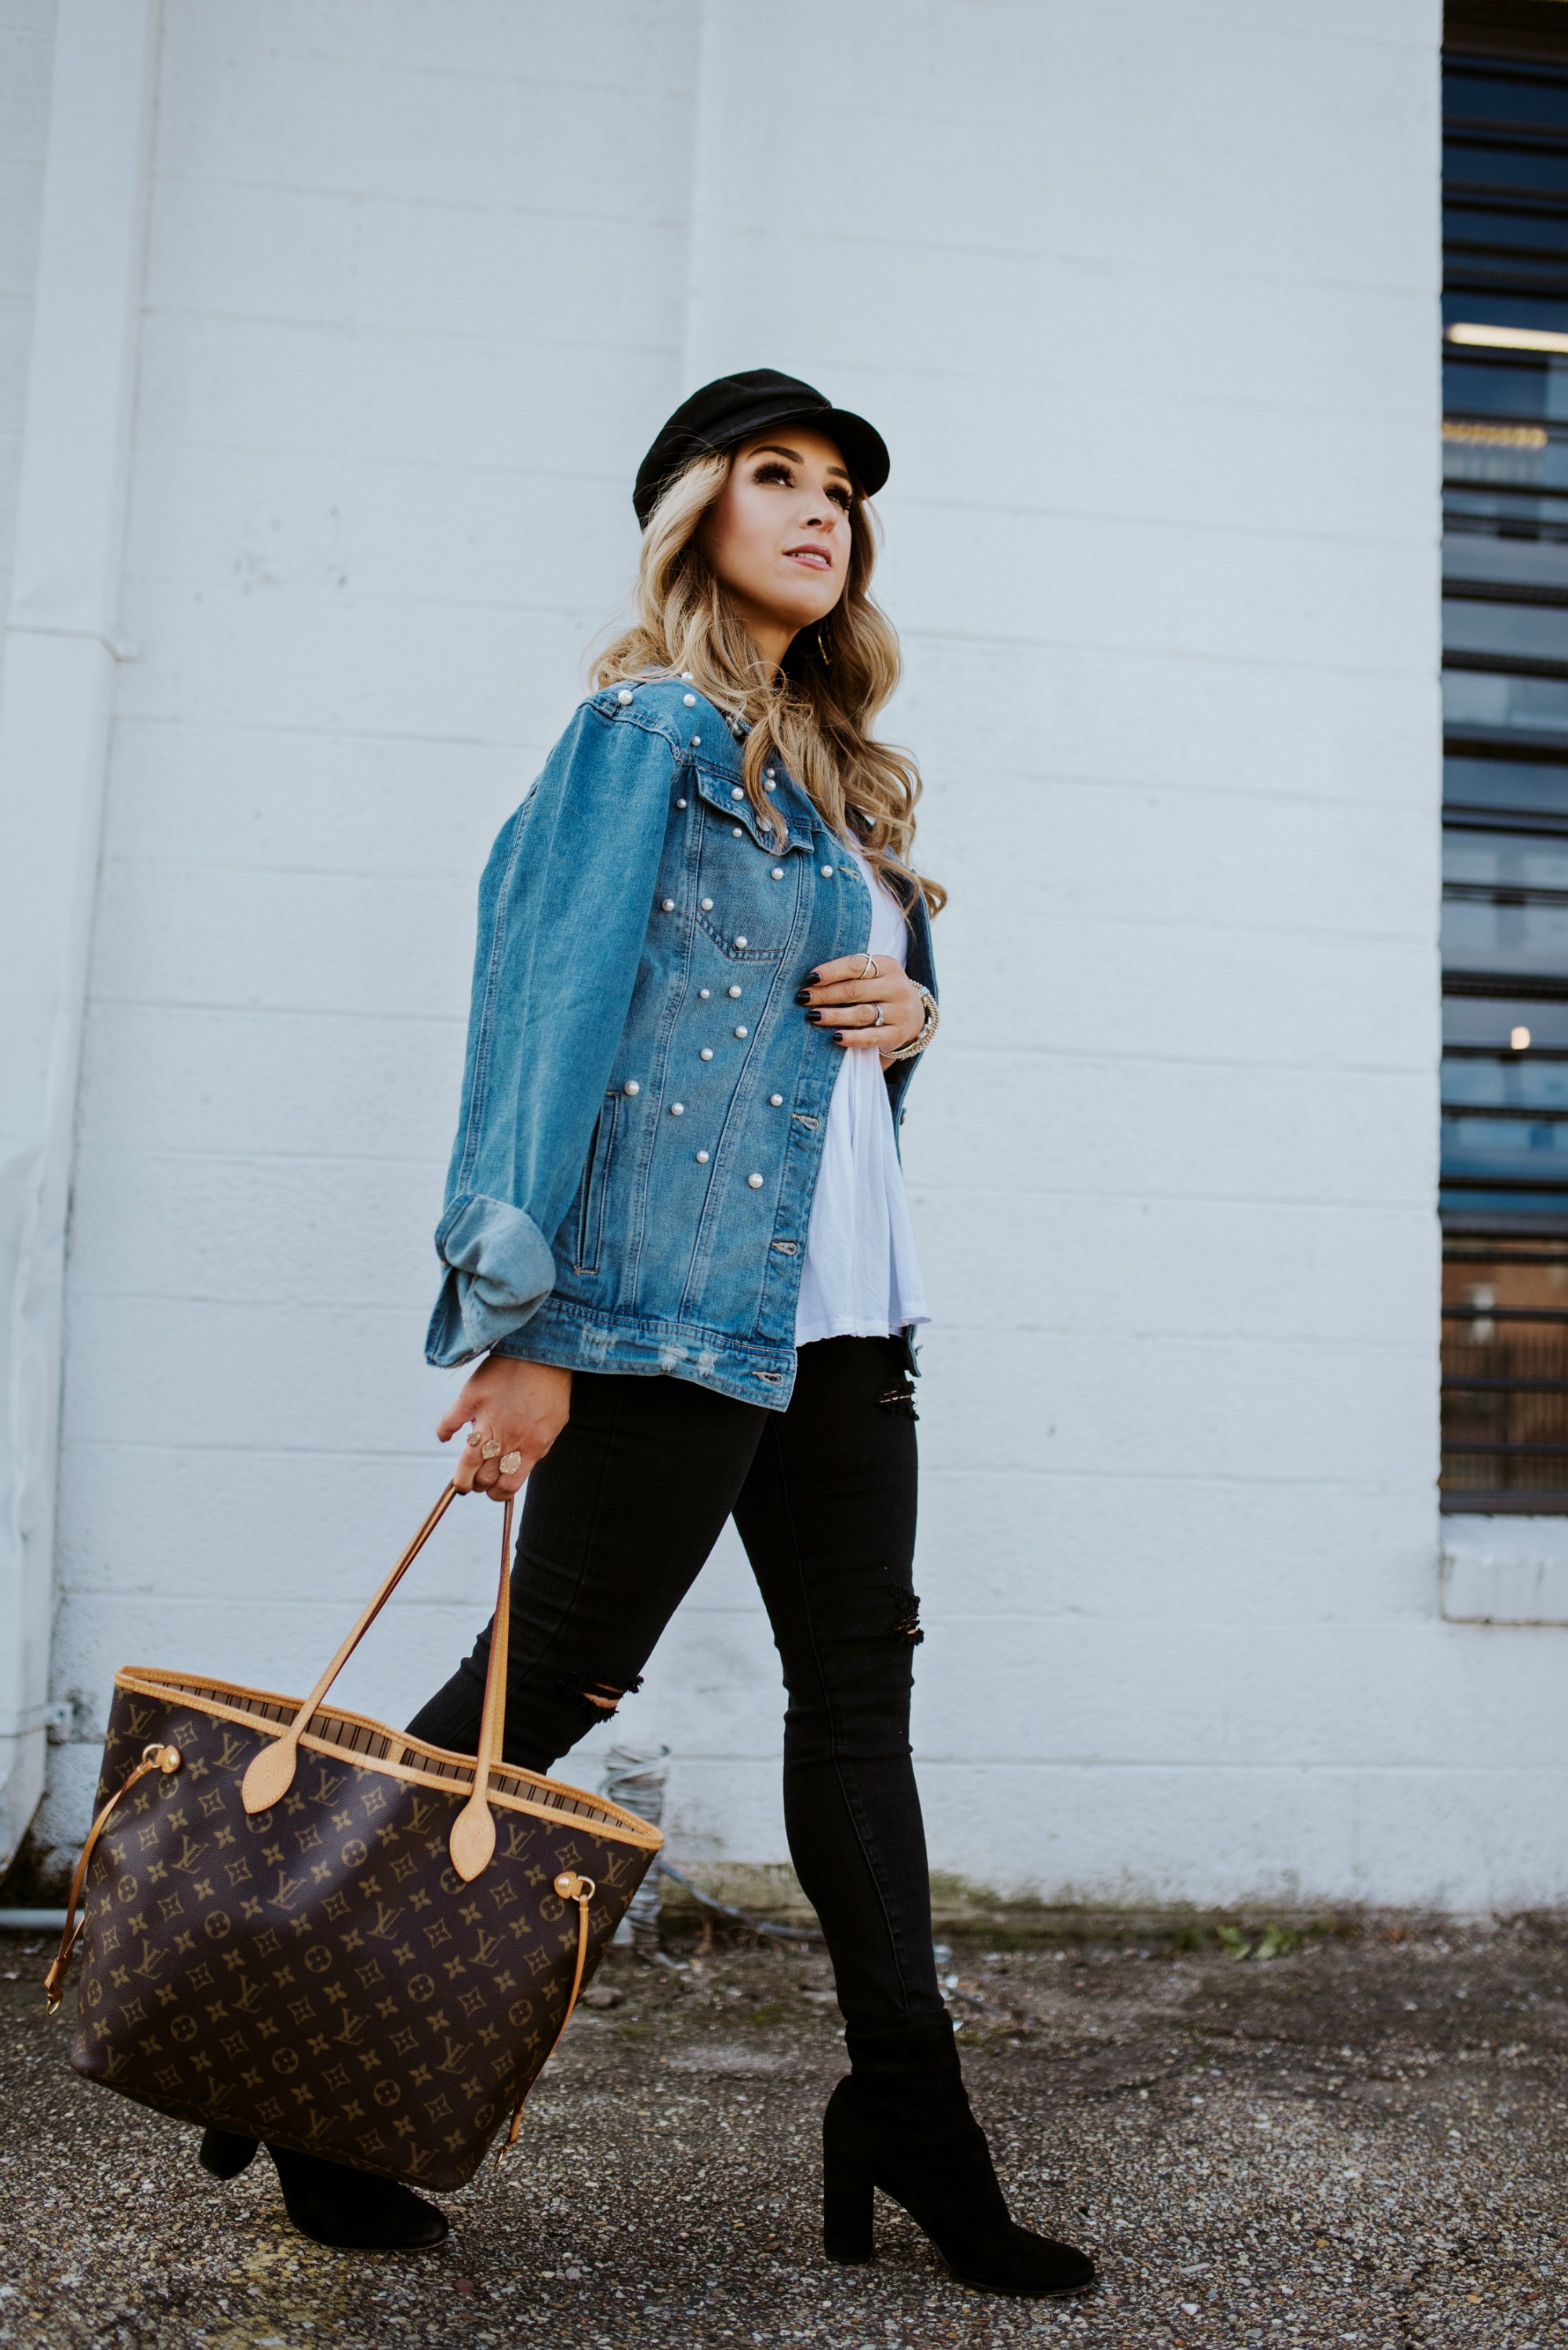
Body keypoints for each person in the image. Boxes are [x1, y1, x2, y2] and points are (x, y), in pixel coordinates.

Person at [205, 370, 1095, 2297]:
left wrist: (913, 1013)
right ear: (691, 512)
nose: (818, 508)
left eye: (841, 487)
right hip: (673, 1319)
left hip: (852, 1322)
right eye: (772, 476)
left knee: (858, 1714)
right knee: (540, 1701)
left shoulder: (844, 772)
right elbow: (546, 1009)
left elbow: (829, 1072)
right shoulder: (640, 733)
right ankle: (292, 2041)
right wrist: (518, 1317)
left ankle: (916, 2120)